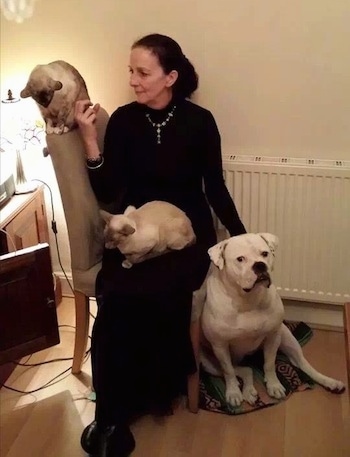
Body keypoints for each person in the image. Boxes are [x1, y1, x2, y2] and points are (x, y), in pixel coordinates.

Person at [74, 33, 246, 457]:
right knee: (114, 293)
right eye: (130, 71)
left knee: (156, 289)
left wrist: (239, 233)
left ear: (170, 76)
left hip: (184, 234)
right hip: (137, 231)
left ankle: (152, 389)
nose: (132, 80)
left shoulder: (200, 121)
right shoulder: (127, 122)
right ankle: (111, 415)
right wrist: (90, 139)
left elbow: (215, 188)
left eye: (142, 72)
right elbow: (111, 190)